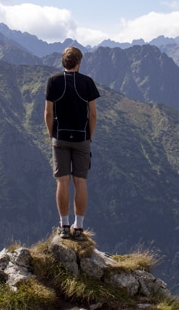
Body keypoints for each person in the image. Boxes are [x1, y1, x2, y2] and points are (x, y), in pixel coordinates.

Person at [44, 46, 100, 241]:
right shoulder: (87, 83)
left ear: (63, 62)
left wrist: (53, 134)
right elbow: (92, 114)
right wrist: (89, 136)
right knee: (80, 181)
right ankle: (79, 227)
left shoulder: (53, 81)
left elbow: (48, 113)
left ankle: (64, 224)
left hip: (60, 137)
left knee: (62, 181)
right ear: (79, 62)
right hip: (82, 138)